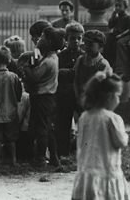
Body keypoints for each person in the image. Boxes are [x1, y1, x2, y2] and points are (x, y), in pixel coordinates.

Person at [71, 72, 130, 200]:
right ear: (109, 97)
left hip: (88, 167)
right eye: (118, 95)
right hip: (106, 167)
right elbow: (120, 141)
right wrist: (125, 137)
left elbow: (80, 140)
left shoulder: (84, 116)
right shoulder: (112, 118)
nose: (119, 99)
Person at [21, 26, 65, 167]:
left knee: (41, 129)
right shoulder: (51, 57)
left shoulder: (48, 62)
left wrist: (26, 68)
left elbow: (34, 77)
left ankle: (40, 158)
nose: (40, 39)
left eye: (43, 37)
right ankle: (54, 157)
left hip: (42, 98)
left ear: (50, 41)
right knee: (47, 128)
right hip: (48, 97)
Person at [55, 21, 84, 158]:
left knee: (84, 124)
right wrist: (72, 72)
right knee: (63, 124)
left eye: (79, 38)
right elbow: (57, 73)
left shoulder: (84, 56)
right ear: (66, 39)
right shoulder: (60, 56)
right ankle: (63, 153)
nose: (76, 41)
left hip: (80, 95)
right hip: (65, 95)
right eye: (73, 38)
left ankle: (82, 151)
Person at [73, 30, 113, 116]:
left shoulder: (102, 64)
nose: (87, 47)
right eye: (86, 43)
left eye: (90, 45)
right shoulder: (81, 60)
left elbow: (103, 89)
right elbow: (76, 80)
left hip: (95, 103)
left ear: (100, 48)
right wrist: (78, 97)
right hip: (80, 100)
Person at [104, 0, 130, 79]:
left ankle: (120, 69)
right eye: (116, 6)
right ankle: (108, 66)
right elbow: (110, 26)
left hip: (124, 36)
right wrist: (113, 15)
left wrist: (121, 35)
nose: (117, 8)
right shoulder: (117, 18)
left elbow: (129, 29)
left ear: (125, 7)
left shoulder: (128, 18)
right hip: (116, 36)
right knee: (108, 43)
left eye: (119, 6)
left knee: (119, 43)